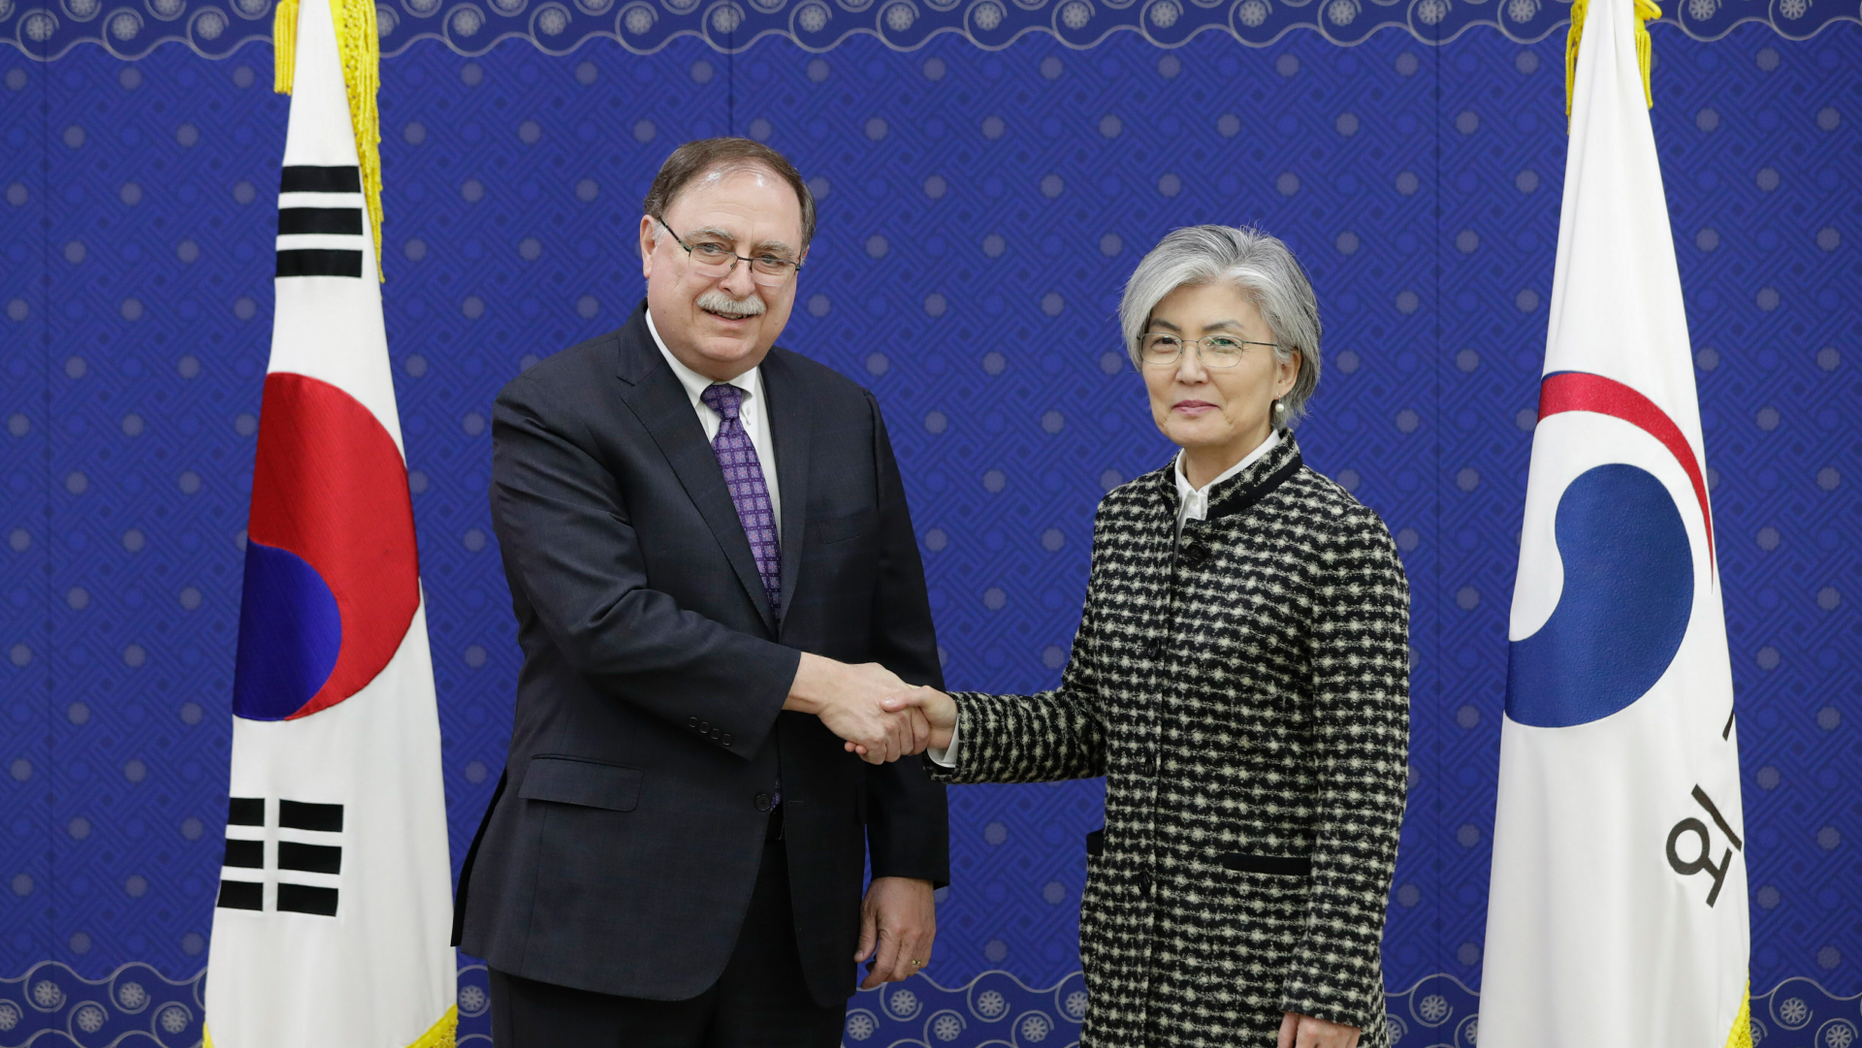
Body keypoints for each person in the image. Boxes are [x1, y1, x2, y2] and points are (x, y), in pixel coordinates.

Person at [453, 137, 947, 1047]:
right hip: (599, 915)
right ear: (651, 244)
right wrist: (819, 684)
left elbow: (898, 649)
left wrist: (909, 860)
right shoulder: (555, 409)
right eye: (711, 246)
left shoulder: (844, 415)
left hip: (799, 917)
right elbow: (607, 624)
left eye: (771, 258)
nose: (739, 281)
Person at [884, 225, 1411, 1048]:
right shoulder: (1126, 517)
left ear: (1286, 369)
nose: (1188, 368)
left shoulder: (1340, 539)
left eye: (1222, 343)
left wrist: (1334, 986)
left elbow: (1365, 786)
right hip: (1130, 975)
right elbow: (1094, 721)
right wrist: (950, 727)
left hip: (1274, 984)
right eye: (1164, 343)